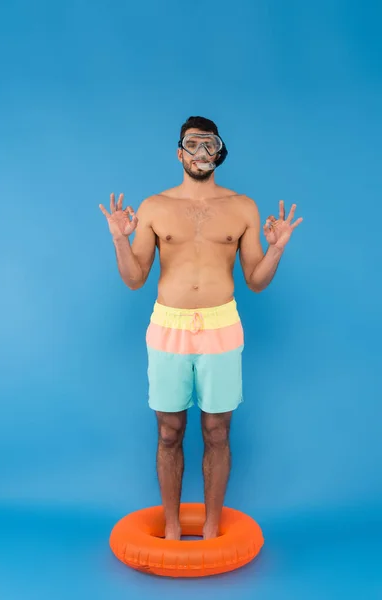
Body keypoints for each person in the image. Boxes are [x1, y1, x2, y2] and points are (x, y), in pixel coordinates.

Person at [99, 116, 303, 540]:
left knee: (217, 430)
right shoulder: (155, 206)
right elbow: (135, 278)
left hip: (220, 325)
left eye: (209, 145)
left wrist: (277, 249)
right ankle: (172, 529)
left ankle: (211, 530)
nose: (200, 154)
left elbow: (256, 281)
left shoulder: (242, 207)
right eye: (193, 145)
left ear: (220, 152)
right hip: (168, 325)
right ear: (179, 152)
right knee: (169, 431)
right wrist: (120, 238)